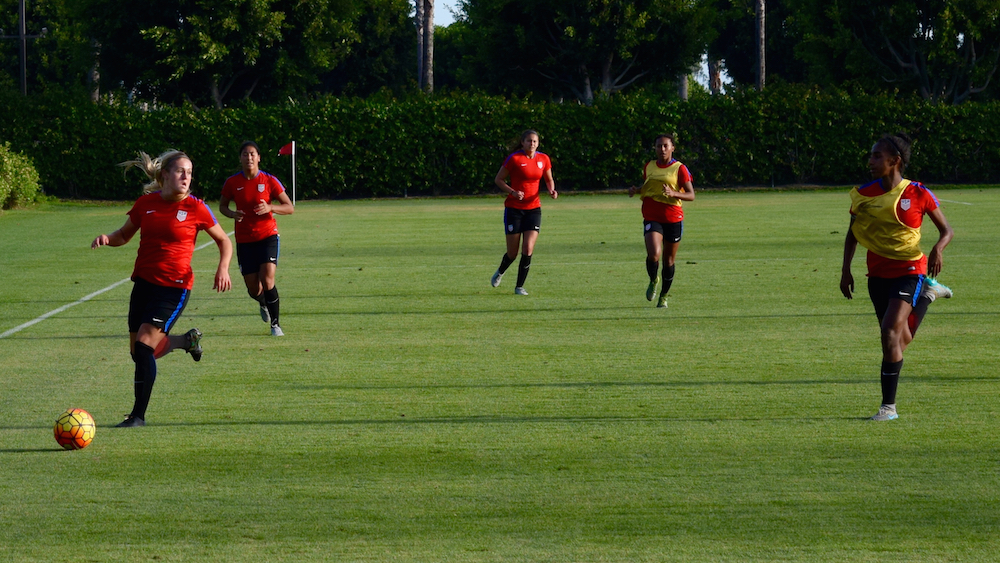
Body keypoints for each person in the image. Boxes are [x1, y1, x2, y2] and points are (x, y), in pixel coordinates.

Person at [92, 150, 233, 427]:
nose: (186, 177)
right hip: (143, 284)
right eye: (181, 171)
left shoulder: (196, 207)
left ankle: (138, 416)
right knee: (139, 353)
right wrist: (107, 239)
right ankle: (185, 341)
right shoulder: (146, 203)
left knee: (145, 347)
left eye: (190, 172)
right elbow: (123, 234)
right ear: (165, 174)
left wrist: (223, 268)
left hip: (174, 287)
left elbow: (224, 241)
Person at [840, 133, 954, 421]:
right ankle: (929, 295)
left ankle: (888, 408)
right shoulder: (864, 195)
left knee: (890, 333)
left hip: (909, 269)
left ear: (895, 162)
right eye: (871, 155)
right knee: (897, 340)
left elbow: (947, 231)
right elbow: (852, 234)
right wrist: (845, 270)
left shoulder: (917, 193)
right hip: (877, 273)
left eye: (877, 156)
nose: (871, 160)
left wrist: (938, 248)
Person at [219, 141, 294, 336]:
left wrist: (271, 207)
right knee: (254, 288)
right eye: (245, 154)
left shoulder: (269, 180)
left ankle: (276, 325)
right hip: (244, 240)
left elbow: (289, 207)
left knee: (267, 279)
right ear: (240, 158)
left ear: (259, 157)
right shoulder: (232, 182)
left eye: (252, 154)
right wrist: (232, 214)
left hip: (267, 236)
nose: (249, 157)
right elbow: (223, 207)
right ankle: (263, 303)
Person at [628, 134, 695, 308]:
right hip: (652, 216)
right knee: (653, 254)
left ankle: (664, 295)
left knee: (668, 261)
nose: (662, 149)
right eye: (659, 146)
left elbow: (691, 195)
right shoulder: (649, 166)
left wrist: (674, 193)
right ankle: (653, 279)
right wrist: (637, 189)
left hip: (673, 218)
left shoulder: (679, 169)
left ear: (673, 148)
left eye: (666, 146)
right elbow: (650, 186)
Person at [490, 129, 558, 295]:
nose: (532, 144)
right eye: (529, 141)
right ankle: (500, 271)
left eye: (535, 141)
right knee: (512, 253)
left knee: (527, 249)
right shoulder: (514, 158)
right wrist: (513, 192)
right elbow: (499, 179)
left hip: (533, 209)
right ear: (523, 142)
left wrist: (551, 190)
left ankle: (519, 287)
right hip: (514, 210)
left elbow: (548, 179)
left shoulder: (543, 159)